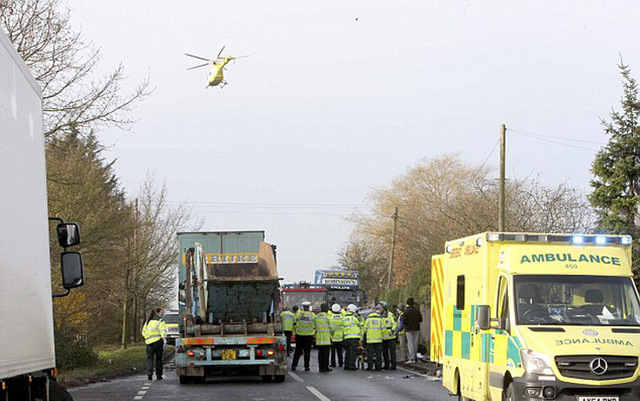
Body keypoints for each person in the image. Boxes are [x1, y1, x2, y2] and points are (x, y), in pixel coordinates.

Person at [142, 308, 167, 380]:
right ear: (157, 313)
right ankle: (159, 375)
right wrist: (164, 340)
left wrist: (147, 338)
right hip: (158, 342)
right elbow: (162, 332)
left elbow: (143, 332)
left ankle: (149, 374)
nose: (161, 313)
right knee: (158, 359)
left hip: (149, 343)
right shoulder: (160, 321)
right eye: (161, 312)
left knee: (150, 358)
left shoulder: (148, 322)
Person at [291, 301, 315, 372]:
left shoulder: (299, 314)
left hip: (299, 335)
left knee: (298, 351)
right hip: (309, 336)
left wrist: (295, 331)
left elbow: (294, 323)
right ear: (309, 307)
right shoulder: (312, 315)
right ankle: (306, 367)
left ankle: (294, 365)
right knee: (307, 352)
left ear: (303, 307)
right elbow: (315, 324)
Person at [401, 297, 422, 363]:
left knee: (410, 343)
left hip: (409, 329)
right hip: (416, 328)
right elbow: (421, 319)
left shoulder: (406, 311)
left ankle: (412, 358)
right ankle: (415, 357)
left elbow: (403, 321)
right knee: (415, 343)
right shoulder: (417, 310)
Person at [363, 304, 384, 371]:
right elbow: (383, 329)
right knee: (378, 354)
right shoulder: (380, 320)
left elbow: (364, 330)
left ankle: (370, 366)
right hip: (378, 339)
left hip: (370, 340)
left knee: (370, 354)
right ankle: (378, 366)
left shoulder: (368, 320)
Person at [342, 304, 362, 370]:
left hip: (346, 337)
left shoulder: (344, 318)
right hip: (354, 337)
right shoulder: (354, 318)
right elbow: (360, 325)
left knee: (347, 352)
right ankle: (352, 365)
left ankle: (346, 365)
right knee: (353, 352)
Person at [379, 301, 397, 370]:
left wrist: (392, 330)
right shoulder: (380, 316)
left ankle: (393, 365)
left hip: (391, 337)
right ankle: (386, 365)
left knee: (392, 352)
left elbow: (395, 324)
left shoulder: (390, 315)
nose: (379, 309)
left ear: (384, 308)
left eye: (381, 308)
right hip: (383, 337)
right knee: (384, 352)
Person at [315, 303, 332, 372]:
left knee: (320, 353)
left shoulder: (317, 316)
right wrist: (332, 335)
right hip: (326, 338)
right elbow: (332, 327)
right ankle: (325, 367)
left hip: (319, 338)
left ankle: (320, 367)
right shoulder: (327, 317)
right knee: (326, 354)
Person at [329, 303, 344, 367]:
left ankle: (333, 364)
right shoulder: (342, 317)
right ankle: (340, 363)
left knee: (333, 352)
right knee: (340, 351)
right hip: (340, 336)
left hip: (332, 337)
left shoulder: (331, 317)